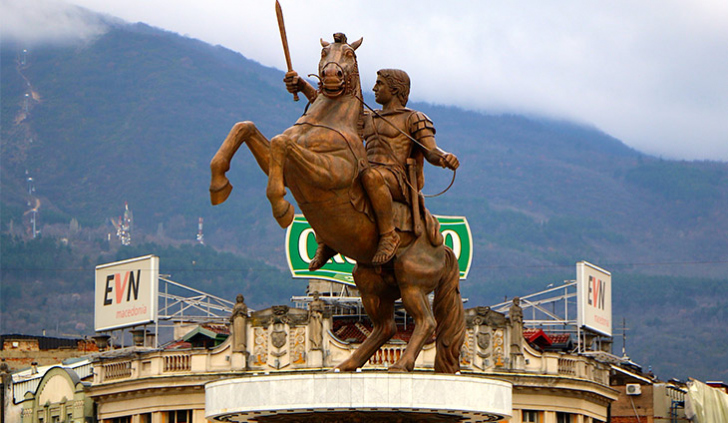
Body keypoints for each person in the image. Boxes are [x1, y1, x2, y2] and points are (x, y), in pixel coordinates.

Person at [285, 68, 459, 269]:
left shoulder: (414, 118)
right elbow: (330, 104)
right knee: (331, 180)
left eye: (380, 84)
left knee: (370, 175)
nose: (374, 88)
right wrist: (302, 85)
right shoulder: (368, 117)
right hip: (366, 173)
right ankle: (327, 240)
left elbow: (431, 151)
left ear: (395, 89)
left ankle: (388, 235)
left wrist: (445, 157)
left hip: (397, 179)